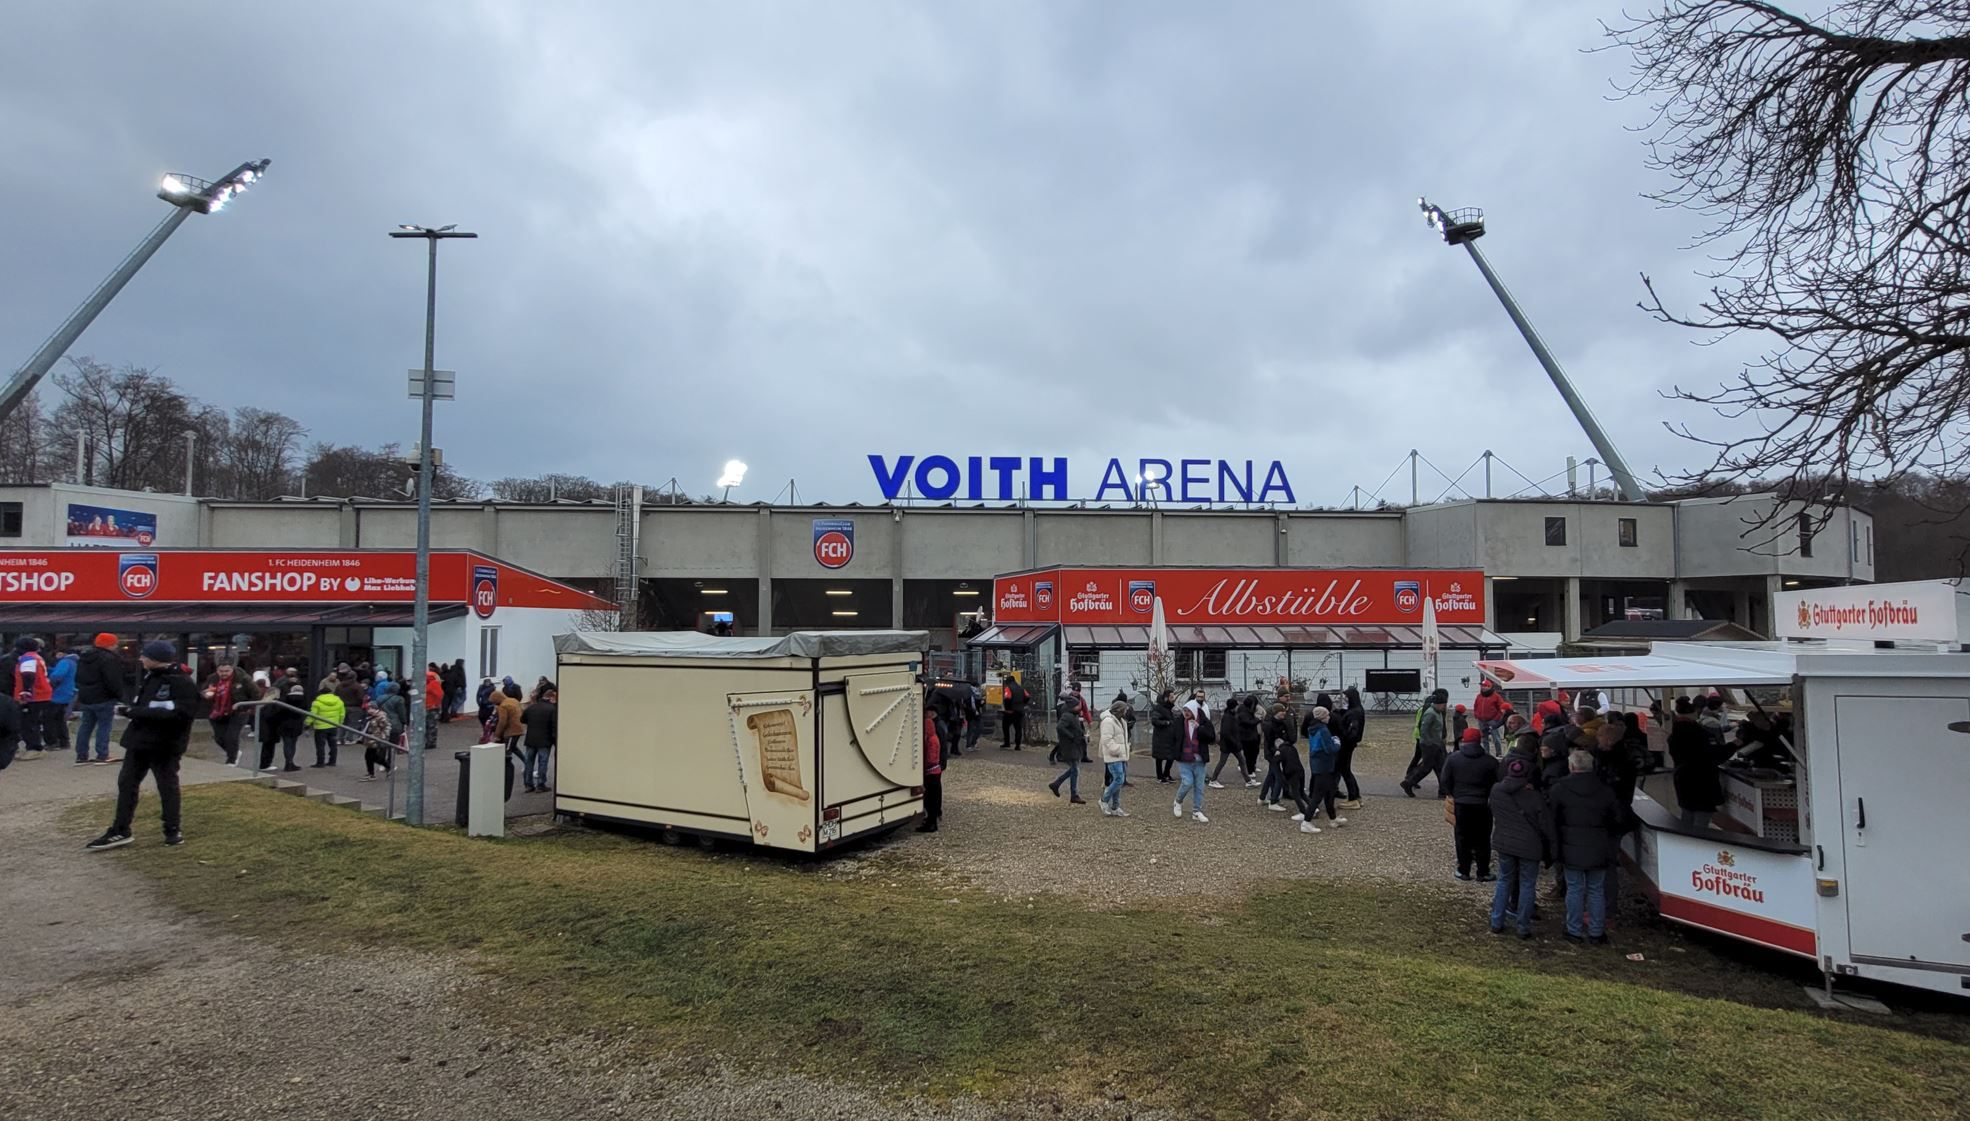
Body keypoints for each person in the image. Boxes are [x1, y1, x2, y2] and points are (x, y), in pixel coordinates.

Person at [85, 641, 197, 850]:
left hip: (165, 745)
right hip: (138, 742)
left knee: (167, 786)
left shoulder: (181, 682)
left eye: (145, 656)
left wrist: (133, 712)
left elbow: (181, 714)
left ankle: (172, 830)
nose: (141, 659)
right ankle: (120, 829)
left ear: (156, 659)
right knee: (126, 784)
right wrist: (134, 712)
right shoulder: (150, 677)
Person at [1550, 749, 1623, 944]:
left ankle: (1573, 930)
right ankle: (1596, 931)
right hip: (1598, 845)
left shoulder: (1560, 789)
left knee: (1574, 889)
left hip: (1571, 846)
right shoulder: (1606, 790)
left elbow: (1552, 818)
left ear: (1572, 766)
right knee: (1596, 890)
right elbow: (1617, 818)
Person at [1488, 754, 1555, 939]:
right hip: (1529, 845)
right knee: (1527, 884)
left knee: (1504, 880)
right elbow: (1545, 824)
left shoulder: (1496, 790)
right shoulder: (1534, 797)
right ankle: (1523, 926)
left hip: (1505, 842)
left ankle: (1496, 921)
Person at [1444, 727, 1501, 881]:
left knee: (1462, 837)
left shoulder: (1453, 759)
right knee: (1483, 838)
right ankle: (1483, 872)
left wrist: (1452, 793)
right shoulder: (1490, 761)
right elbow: (1498, 781)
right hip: (1483, 803)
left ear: (1464, 741)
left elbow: (1445, 779)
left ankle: (1464, 870)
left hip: (1461, 803)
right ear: (1479, 741)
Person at [1668, 697, 1726, 830]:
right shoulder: (1700, 734)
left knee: (1687, 817)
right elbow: (1714, 755)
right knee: (1701, 823)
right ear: (1695, 712)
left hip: (1682, 780)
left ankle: (1685, 841)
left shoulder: (1674, 733)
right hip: (1702, 783)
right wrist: (1734, 745)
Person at [72, 633, 126, 766]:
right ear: (110, 645)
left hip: (87, 697)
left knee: (85, 726)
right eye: (115, 644)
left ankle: (81, 756)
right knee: (104, 726)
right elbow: (113, 680)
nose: (116, 646)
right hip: (104, 696)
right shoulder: (109, 659)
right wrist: (119, 695)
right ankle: (102, 755)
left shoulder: (84, 658)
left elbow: (78, 677)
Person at [1303, 705, 1346, 829]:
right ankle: (1306, 822)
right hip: (1325, 765)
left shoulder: (1313, 728)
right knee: (1318, 795)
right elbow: (1329, 749)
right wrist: (1337, 742)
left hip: (1317, 764)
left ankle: (1333, 818)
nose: (1329, 717)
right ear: (1322, 717)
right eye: (1327, 715)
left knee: (1329, 791)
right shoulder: (1323, 730)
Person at [201, 663, 252, 766]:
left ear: (232, 670)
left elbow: (255, 694)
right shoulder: (212, 679)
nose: (224, 673)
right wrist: (206, 694)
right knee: (219, 738)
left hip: (238, 711)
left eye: (227, 671)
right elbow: (203, 691)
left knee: (232, 736)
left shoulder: (243, 678)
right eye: (221, 671)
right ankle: (234, 752)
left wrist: (247, 707)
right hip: (217, 711)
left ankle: (231, 760)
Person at [11, 637, 53, 760]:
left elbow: (28, 676)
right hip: (41, 694)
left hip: (34, 696)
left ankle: (34, 748)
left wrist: (25, 694)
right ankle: (35, 747)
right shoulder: (36, 657)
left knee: (27, 723)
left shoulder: (27, 658)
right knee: (32, 721)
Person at [1400, 692, 1449, 797]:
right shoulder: (1430, 713)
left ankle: (1443, 791)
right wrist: (1429, 743)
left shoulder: (1439, 713)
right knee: (1426, 767)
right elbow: (1424, 730)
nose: (1445, 707)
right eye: (1444, 705)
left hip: (1437, 744)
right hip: (1429, 745)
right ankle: (1408, 783)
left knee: (1440, 767)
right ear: (1438, 704)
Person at [1173, 695, 1213, 823]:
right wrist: (1174, 753)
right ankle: (1178, 801)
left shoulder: (1203, 721)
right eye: (1184, 710)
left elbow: (1211, 737)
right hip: (1184, 758)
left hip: (1199, 759)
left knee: (1199, 786)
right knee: (1187, 782)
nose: (1186, 713)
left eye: (1188, 711)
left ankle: (1197, 811)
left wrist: (1199, 728)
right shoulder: (1179, 722)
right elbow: (1174, 738)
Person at [260, 669, 308, 772]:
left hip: (282, 721)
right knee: (292, 743)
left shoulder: (278, 689)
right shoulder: (300, 693)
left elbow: (268, 705)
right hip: (295, 721)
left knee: (284, 742)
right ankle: (289, 762)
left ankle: (282, 763)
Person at [1208, 694, 1255, 789]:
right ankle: (1213, 780)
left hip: (1231, 744)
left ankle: (1248, 781)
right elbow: (1226, 733)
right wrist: (1235, 742)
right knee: (1223, 762)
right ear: (1233, 707)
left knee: (1241, 761)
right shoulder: (1228, 717)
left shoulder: (1230, 715)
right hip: (1229, 745)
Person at [1332, 686, 1366, 808]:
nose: (1344, 699)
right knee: (1346, 770)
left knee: (1345, 771)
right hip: (1348, 744)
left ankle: (1353, 798)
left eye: (1346, 697)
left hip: (1346, 745)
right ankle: (1356, 796)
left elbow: (1352, 732)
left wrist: (1342, 732)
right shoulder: (1355, 710)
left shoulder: (1354, 713)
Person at [521, 685, 558, 792]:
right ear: (551, 698)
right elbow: (554, 727)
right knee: (542, 762)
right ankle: (540, 784)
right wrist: (555, 742)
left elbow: (522, 719)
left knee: (529, 762)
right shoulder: (552, 709)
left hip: (530, 740)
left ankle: (528, 784)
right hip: (544, 741)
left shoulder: (531, 707)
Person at [1098, 698, 1131, 817]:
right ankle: (1103, 800)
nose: (1126, 712)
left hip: (1121, 755)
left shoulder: (1121, 721)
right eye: (1125, 710)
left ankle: (1115, 806)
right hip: (1113, 755)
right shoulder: (1108, 722)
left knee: (1117, 781)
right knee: (1119, 779)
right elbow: (1107, 740)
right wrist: (1117, 749)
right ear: (1119, 710)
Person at [1050, 701, 1087, 804]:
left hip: (1074, 746)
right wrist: (1071, 736)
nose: (1079, 707)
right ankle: (1073, 794)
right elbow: (1060, 727)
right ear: (1072, 706)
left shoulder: (1074, 716)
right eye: (1077, 705)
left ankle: (1057, 784)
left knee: (1074, 769)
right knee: (1075, 770)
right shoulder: (1067, 716)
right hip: (1070, 747)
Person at [307, 676, 346, 767]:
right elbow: (342, 714)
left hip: (321, 727)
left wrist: (307, 723)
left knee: (320, 746)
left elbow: (313, 715)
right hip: (333, 725)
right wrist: (339, 723)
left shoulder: (317, 702)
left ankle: (320, 762)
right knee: (333, 745)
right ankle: (332, 761)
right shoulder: (339, 701)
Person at [46, 649, 77, 757]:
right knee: (60, 719)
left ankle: (52, 742)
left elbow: (57, 675)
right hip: (67, 693)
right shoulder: (73, 662)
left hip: (57, 694)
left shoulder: (64, 662)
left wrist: (49, 681)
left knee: (49, 718)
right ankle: (64, 741)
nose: (56, 655)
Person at [917, 711, 942, 833]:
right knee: (933, 798)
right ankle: (931, 821)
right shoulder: (934, 738)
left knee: (930, 799)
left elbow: (931, 759)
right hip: (935, 771)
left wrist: (923, 766)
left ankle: (931, 823)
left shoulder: (931, 740)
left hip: (931, 772)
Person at [359, 699, 396, 781]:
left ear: (376, 708)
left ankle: (379, 770)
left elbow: (386, 728)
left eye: (371, 708)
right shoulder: (370, 717)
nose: (369, 710)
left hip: (376, 739)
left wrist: (382, 737)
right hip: (370, 739)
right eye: (368, 709)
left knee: (372, 756)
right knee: (370, 756)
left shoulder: (381, 717)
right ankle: (376, 771)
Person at [1149, 688, 1179, 783]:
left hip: (1170, 738)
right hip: (1160, 738)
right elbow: (1155, 721)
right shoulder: (1159, 708)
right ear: (1166, 698)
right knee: (1159, 758)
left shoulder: (1169, 708)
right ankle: (1160, 776)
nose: (1173, 699)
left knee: (1171, 757)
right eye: (1171, 697)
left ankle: (1166, 774)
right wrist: (1166, 723)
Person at [1473, 680, 1506, 756]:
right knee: (1484, 738)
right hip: (1481, 720)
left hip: (1492, 720)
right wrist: (1476, 715)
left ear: (1489, 687)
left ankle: (1499, 753)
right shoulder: (1479, 696)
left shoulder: (1496, 696)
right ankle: (1486, 754)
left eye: (1485, 686)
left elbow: (1501, 708)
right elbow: (1475, 706)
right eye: (1482, 686)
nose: (1483, 687)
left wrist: (1496, 718)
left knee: (1496, 738)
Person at [492, 681, 525, 754]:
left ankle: (508, 762)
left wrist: (497, 734)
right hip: (519, 727)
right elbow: (522, 711)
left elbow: (502, 722)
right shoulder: (514, 700)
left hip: (511, 730)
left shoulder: (503, 706)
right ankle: (525, 760)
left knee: (508, 750)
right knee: (513, 747)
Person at [998, 671, 1028, 750]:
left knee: (1005, 726)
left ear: (1008, 682)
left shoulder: (1008, 688)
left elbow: (1007, 698)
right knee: (1018, 728)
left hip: (1010, 712)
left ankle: (1007, 742)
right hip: (1020, 711)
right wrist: (1023, 704)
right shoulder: (1021, 688)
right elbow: (1027, 696)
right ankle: (1018, 745)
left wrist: (1007, 708)